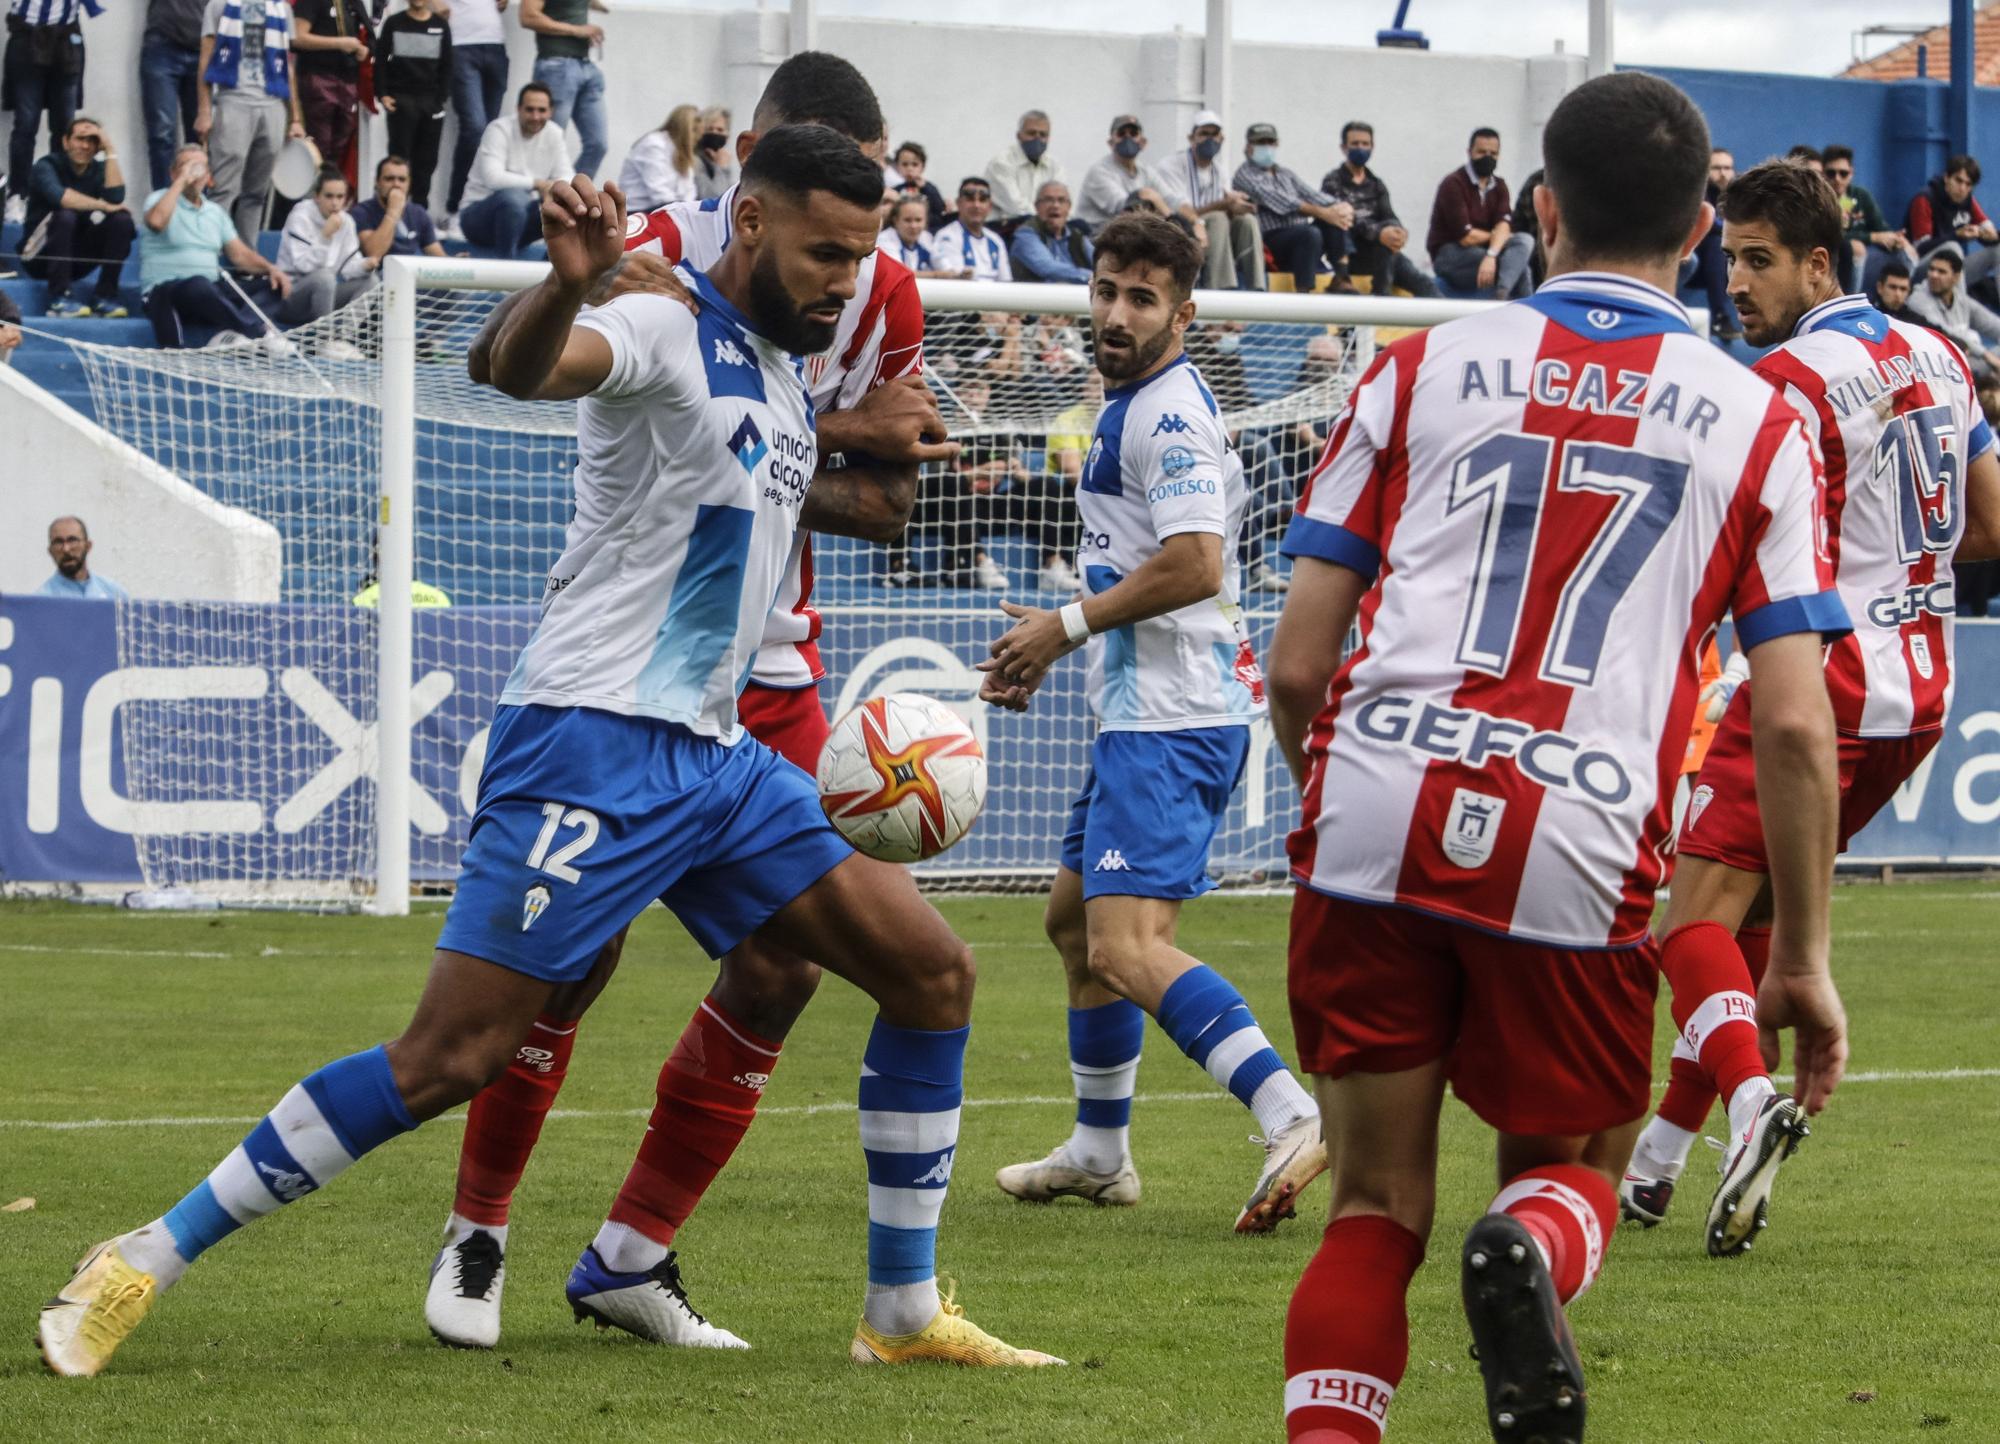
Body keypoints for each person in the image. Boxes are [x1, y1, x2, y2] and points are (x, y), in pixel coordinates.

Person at [38, 121, 1056, 1381]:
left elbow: (787, 497)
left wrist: (869, 442)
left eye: (860, 259)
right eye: (824, 253)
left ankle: (897, 1313)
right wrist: (567, 280)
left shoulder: (780, 370)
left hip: (712, 757)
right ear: (750, 221)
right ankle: (144, 1251)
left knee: (930, 973)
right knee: (448, 1057)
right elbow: (514, 366)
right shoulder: (656, 321)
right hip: (588, 742)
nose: (843, 282)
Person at [1268, 72, 1851, 1444]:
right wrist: (1802, 960)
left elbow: (1298, 664)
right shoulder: (1760, 420)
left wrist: (1344, 808)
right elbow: (1788, 723)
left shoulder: (1418, 366)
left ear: (1542, 207)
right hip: (1575, 837)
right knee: (1564, 1169)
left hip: (1377, 801)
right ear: (1705, 222)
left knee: (1369, 1210)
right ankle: (1533, 1242)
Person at [430, 52, 963, 1355]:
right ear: (756, 173)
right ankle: (479, 1231)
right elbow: (521, 360)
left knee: (786, 970)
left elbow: (879, 510)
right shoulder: (659, 243)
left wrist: (811, 445)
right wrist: (828, 431)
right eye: (801, 201)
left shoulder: (886, 290)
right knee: (568, 963)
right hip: (628, 672)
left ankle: (632, 1255)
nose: (835, 261)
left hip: (767, 680)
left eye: (857, 216)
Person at [1621, 160, 2000, 1246]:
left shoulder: (1785, 382)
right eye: (1725, 257)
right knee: (1740, 929)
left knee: (1687, 923)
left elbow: (1738, 543)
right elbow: (1985, 524)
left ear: (1816, 262)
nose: (1733, 282)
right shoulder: (1941, 349)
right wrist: (1895, 557)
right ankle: (1654, 1163)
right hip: (1918, 692)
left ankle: (1746, 1107)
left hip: (1818, 680)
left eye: (1755, 261)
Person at [979, 211, 1324, 1231]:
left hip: (1172, 717)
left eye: (1141, 298)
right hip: (1148, 710)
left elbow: (1196, 561)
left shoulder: (1164, 413)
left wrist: (1065, 626)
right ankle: (1097, 1153)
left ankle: (1288, 1109)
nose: (1115, 314)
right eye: (1104, 291)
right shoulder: (1128, 402)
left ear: (1182, 309)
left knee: (1127, 947)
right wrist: (1057, 633)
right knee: (1071, 926)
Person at [138, 143, 296, 347]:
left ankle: (229, 333)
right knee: (199, 285)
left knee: (273, 287)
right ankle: (255, 332)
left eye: (200, 167)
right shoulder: (158, 199)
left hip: (211, 292)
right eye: (187, 165)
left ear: (208, 176)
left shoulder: (215, 212)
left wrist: (271, 268)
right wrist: (181, 181)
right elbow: (157, 222)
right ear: (173, 173)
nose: (194, 171)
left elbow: (239, 255)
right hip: (168, 290)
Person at [195, 0, 307, 246]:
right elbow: (206, 56)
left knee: (257, 192)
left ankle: (246, 258)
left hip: (273, 102)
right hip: (233, 99)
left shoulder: (281, 8)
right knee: (223, 188)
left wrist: (295, 118)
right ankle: (209, 253)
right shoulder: (219, 5)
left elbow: (286, 65)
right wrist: (204, 110)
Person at [21, 115, 135, 319]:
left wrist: (110, 150)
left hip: (75, 258)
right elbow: (62, 198)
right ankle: (60, 298)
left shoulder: (99, 169)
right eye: (79, 138)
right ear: (66, 141)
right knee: (66, 215)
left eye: (92, 140)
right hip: (38, 256)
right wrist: (102, 205)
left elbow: (116, 198)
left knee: (122, 221)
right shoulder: (46, 165)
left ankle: (105, 296)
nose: (85, 146)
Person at [4, 0, 100, 222]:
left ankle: (58, 195)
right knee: (26, 124)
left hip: (66, 38)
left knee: (64, 127)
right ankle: (18, 194)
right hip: (28, 35)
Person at [1233, 122, 1353, 295]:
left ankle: (1341, 277)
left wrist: (1342, 208)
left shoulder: (1285, 173)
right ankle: (1303, 291)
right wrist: (1325, 213)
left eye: (1270, 142)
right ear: (1248, 147)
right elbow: (1283, 201)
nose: (1266, 147)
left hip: (1301, 236)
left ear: (1276, 144)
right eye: (1260, 143)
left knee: (1335, 222)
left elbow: (1313, 195)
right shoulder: (1244, 175)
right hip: (1271, 240)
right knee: (1311, 232)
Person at [1321, 120, 1433, 299]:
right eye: (1355, 144)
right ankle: (1381, 298)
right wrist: (1380, 233)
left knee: (1425, 284)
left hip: (1384, 250)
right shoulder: (1333, 181)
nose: (1361, 148)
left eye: (1365, 144)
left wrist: (1398, 232)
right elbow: (1343, 219)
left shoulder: (1376, 183)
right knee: (1384, 243)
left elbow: (1389, 215)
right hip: (1353, 253)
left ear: (1372, 146)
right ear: (1343, 147)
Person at [458, 82, 570, 260]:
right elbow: (493, 178)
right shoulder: (498, 129)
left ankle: (550, 270)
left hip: (521, 218)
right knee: (514, 198)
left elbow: (567, 176)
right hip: (476, 218)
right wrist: (539, 184)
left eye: (542, 110)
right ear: (518, 109)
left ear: (551, 111)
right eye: (529, 109)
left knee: (567, 204)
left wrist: (551, 191)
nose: (535, 116)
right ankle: (505, 270)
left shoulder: (555, 133)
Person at [1161, 109, 1263, 292]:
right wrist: (1223, 205)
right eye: (1203, 134)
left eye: (1214, 134)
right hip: (1182, 230)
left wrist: (1236, 207)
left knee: (1247, 221)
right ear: (1191, 138)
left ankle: (1257, 288)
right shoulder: (1172, 165)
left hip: (1213, 232)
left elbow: (1225, 203)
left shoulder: (1220, 170)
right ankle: (1220, 290)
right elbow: (1180, 209)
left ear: (1221, 139)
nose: (1210, 139)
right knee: (1218, 218)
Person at [1427, 126, 1533, 299]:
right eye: (1482, 152)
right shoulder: (1453, 184)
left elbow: (1504, 225)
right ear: (1469, 152)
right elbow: (1467, 237)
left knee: (1524, 241)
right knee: (1514, 265)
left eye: (1493, 153)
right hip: (1451, 255)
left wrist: (1491, 254)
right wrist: (1496, 237)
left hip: (1486, 253)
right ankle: (1510, 304)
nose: (1488, 157)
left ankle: (1502, 292)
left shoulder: (1499, 186)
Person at [373, 0, 452, 209]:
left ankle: (419, 212)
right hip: (401, 100)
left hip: (430, 102)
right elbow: (380, 60)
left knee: (426, 161)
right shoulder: (393, 23)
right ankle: (393, 210)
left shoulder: (441, 25)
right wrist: (382, 94)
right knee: (398, 160)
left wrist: (440, 100)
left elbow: (447, 65)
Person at [519, 0, 605, 178]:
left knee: (598, 145)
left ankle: (570, 199)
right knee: (548, 143)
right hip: (556, 66)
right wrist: (577, 30)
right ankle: (541, 201)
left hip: (586, 65)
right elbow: (527, 17)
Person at [276, 168, 374, 320]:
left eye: (340, 197)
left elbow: (347, 269)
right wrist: (325, 237)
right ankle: (326, 339)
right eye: (329, 196)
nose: (335, 203)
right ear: (317, 196)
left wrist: (365, 266)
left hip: (325, 296)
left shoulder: (346, 221)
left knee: (371, 281)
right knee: (325, 278)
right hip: (291, 296)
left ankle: (344, 337)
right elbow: (303, 266)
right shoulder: (300, 216)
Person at [442, 0, 509, 225]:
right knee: (475, 128)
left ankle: (477, 209)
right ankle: (455, 206)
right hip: (461, 43)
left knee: (491, 134)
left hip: (495, 44)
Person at [290, 0, 370, 180]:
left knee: (338, 150)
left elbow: (365, 35)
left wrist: (362, 49)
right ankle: (310, 198)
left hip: (347, 80)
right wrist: (339, 43)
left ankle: (328, 196)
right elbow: (297, 37)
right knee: (317, 148)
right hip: (318, 78)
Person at [1908, 155, 2000, 295]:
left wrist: (1990, 235)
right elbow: (1920, 248)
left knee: (1998, 250)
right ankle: (1959, 312)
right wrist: (1956, 235)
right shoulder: (1925, 199)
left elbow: (1986, 226)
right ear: (1947, 178)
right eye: (1958, 180)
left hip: (1952, 273)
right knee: (1953, 248)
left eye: (1968, 184)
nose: (1962, 188)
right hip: (1922, 272)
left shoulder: (1967, 200)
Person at [1905, 246, 2000, 381]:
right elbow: (1946, 334)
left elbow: (1992, 324)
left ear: (1956, 277)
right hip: (1941, 368)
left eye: (1941, 272)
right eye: (1931, 269)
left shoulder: (1960, 298)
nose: (1934, 275)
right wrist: (1986, 354)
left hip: (1966, 361)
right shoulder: (1918, 300)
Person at [141, 0, 208, 190]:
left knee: (200, 135)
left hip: (204, 46)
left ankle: (196, 205)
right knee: (162, 134)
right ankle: (164, 204)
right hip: (163, 43)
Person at [1076, 113, 1170, 230]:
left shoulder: (1146, 171)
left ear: (1143, 142)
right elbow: (1127, 208)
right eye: (1121, 134)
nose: (1127, 138)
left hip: (1128, 235)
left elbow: (1172, 200)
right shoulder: (1099, 171)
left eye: (1133, 134)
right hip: (1096, 239)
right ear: (1111, 143)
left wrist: (1194, 221)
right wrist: (1168, 216)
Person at [352, 153, 447, 263]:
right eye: (389, 179)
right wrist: (393, 212)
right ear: (377, 182)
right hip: (378, 275)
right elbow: (373, 254)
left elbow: (437, 255)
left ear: (409, 184)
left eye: (402, 179)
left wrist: (455, 263)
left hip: (410, 273)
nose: (396, 184)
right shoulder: (361, 212)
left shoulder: (418, 213)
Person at [1692, 145, 1741, 339]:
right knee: (1715, 241)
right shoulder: (1697, 193)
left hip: (1732, 262)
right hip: (1696, 263)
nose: (1723, 174)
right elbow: (1706, 225)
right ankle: (1720, 317)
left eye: (1727, 168)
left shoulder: (1739, 196)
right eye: (1717, 168)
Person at [615, 102, 697, 210]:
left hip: (663, 208)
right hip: (637, 212)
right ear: (685, 128)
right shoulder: (654, 144)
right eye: (694, 130)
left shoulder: (680, 151)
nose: (698, 137)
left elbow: (689, 191)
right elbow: (659, 192)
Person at [986, 109, 1062, 224]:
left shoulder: (1054, 166)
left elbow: (1061, 202)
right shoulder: (1001, 163)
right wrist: (1050, 217)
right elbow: (1016, 208)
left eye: (1043, 135)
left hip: (1044, 226)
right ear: (1019, 136)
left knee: (1079, 227)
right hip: (1007, 228)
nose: (1037, 139)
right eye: (1032, 133)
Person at [1009, 179, 1092, 284]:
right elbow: (1047, 268)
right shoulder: (1025, 235)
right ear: (1037, 206)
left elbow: (1102, 263)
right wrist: (1093, 277)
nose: (1055, 206)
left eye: (1061, 200)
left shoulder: (1078, 236)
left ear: (1069, 207)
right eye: (1048, 200)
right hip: (1037, 298)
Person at [930, 177, 1012, 282]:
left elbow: (1006, 281)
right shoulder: (947, 237)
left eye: (982, 200)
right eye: (970, 199)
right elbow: (955, 280)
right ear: (958, 203)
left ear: (990, 206)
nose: (976, 205)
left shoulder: (996, 241)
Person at [37, 516, 128, 599]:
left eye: (72, 540)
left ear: (88, 546)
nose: (66, 549)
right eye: (58, 542)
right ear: (50, 551)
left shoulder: (114, 595)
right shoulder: (42, 600)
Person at [877, 192, 947, 275]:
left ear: (926, 221)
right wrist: (936, 274)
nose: (913, 226)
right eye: (907, 220)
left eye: (918, 220)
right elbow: (899, 274)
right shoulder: (884, 240)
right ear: (895, 220)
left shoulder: (926, 238)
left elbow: (946, 268)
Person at [888, 140, 947, 236]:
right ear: (897, 167)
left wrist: (925, 188)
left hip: (929, 232)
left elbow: (939, 208)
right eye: (905, 164)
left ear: (922, 167)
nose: (909, 169)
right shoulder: (896, 190)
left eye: (914, 164)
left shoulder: (929, 188)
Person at [692, 104, 734, 200]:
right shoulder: (695, 160)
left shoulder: (717, 159)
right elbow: (714, 199)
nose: (715, 133)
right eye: (710, 129)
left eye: (720, 130)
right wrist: (722, 168)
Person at [1872, 256, 1919, 324]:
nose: (1898, 294)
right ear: (1880, 288)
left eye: (1903, 289)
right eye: (1893, 287)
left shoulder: (1916, 323)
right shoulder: (1868, 317)